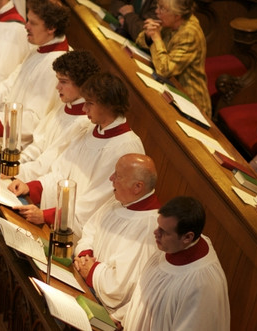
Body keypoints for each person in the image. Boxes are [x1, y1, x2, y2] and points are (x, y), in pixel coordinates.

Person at [8, 73, 145, 236]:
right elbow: (60, 170)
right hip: (52, 215)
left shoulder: (125, 149)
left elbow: (93, 205)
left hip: (75, 233)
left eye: (90, 104)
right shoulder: (86, 127)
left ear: (108, 106)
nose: (84, 109)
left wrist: (47, 216)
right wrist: (31, 187)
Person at [0, 0, 70, 148]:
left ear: (51, 28)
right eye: (28, 20)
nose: (26, 26)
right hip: (6, 134)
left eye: (33, 23)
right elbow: (13, 83)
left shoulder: (56, 68)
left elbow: (36, 119)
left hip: (17, 149)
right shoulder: (40, 48)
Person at [73, 153, 160, 323]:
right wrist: (85, 255)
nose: (111, 178)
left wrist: (92, 270)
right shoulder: (121, 200)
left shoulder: (149, 228)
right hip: (84, 279)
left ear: (137, 187)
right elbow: (91, 229)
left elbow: (121, 287)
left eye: (118, 176)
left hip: (102, 307)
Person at [122, 196, 230, 330]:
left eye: (164, 232)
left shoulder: (202, 286)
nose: (156, 233)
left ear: (187, 237)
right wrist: (123, 316)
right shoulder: (173, 245)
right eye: (158, 226)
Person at [13, 50, 100, 181]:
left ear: (83, 85)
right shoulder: (64, 105)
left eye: (63, 82)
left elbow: (48, 164)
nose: (57, 87)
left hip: (38, 184)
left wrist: (16, 171)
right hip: (25, 173)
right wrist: (17, 161)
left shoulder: (84, 123)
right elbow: (38, 145)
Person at [136, 0, 211, 117]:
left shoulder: (190, 33)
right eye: (158, 6)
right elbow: (140, 41)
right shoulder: (170, 23)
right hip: (170, 91)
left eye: (162, 8)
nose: (156, 11)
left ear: (177, 15)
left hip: (191, 103)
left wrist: (156, 38)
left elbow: (164, 70)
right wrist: (148, 36)